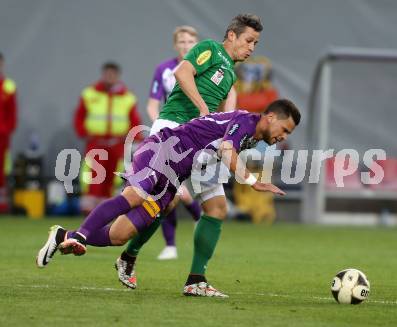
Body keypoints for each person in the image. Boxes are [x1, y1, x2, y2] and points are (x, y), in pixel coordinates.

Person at [36, 99, 301, 298]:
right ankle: (81, 235)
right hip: (161, 152)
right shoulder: (246, 123)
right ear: (269, 116)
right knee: (134, 196)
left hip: (174, 177)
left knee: (118, 235)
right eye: (285, 129)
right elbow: (226, 148)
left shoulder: (254, 138)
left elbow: (212, 148)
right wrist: (253, 182)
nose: (283, 137)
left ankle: (62, 235)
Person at [113, 13, 260, 290]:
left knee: (216, 207)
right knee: (159, 202)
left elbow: (227, 114)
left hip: (200, 140)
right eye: (249, 40)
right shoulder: (210, 49)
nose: (252, 47)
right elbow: (182, 73)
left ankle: (196, 280)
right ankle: (103, 244)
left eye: (255, 43)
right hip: (172, 128)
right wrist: (204, 110)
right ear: (231, 35)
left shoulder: (230, 73)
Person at [145, 25, 202, 261]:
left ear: (196, 44)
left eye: (190, 42)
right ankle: (172, 244)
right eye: (182, 41)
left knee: (180, 192)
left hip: (197, 134)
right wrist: (160, 125)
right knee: (171, 189)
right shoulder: (164, 70)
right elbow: (152, 104)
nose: (186, 45)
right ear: (175, 44)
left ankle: (203, 221)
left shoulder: (205, 68)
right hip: (171, 134)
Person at [74, 62, 141, 214]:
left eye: (113, 74)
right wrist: (83, 133)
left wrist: (136, 139)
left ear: (117, 76)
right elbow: (79, 116)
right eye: (107, 74)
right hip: (95, 142)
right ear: (103, 75)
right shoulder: (89, 94)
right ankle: (89, 210)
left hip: (117, 143)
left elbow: (134, 121)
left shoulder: (128, 97)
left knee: (113, 176)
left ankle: (107, 211)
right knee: (93, 175)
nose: (110, 77)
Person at [0, 52, 18, 213]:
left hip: (1, 137)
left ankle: (2, 205)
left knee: (1, 170)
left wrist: (5, 131)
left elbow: (11, 114)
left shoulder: (8, 87)